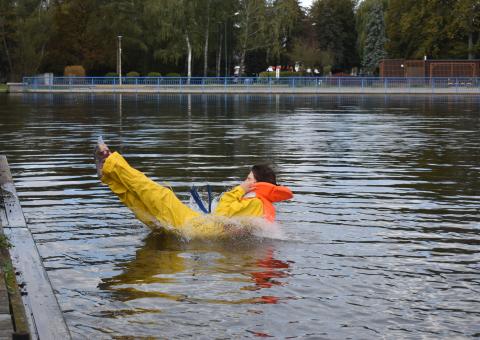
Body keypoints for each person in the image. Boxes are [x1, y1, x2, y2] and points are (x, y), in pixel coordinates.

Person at [94, 138, 293, 237]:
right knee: (141, 203)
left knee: (159, 194)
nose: (245, 181)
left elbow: (222, 212)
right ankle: (109, 175)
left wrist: (240, 188)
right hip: (196, 229)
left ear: (257, 184)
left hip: (195, 227)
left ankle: (111, 161)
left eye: (249, 179)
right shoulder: (260, 207)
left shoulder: (256, 202)